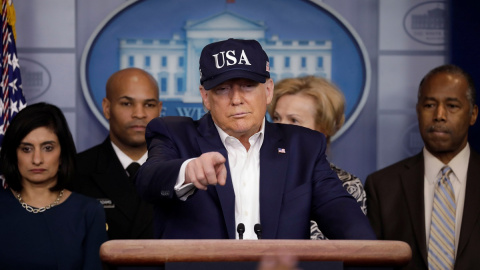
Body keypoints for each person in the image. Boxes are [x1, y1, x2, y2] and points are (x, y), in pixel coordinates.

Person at [136, 38, 375, 240]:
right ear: (205, 97)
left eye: (248, 86)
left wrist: (373, 254)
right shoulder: (173, 133)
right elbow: (148, 181)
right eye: (222, 89)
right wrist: (189, 170)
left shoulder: (304, 146)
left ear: (268, 90)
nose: (237, 99)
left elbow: (344, 217)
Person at [365, 64, 480, 269]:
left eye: (452, 106)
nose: (440, 115)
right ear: (418, 111)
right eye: (429, 105)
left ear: (473, 114)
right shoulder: (382, 187)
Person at [0, 102, 107, 269]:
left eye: (48, 148)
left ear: (62, 153)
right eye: (26, 149)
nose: (37, 159)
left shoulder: (88, 211)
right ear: (14, 154)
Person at [268, 76, 366, 240]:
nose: (279, 127)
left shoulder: (347, 186)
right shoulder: (255, 173)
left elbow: (353, 252)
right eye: (276, 118)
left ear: (322, 129)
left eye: (294, 120)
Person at [70, 67, 162, 241]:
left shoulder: (184, 171)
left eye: (149, 105)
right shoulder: (74, 171)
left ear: (159, 109)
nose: (139, 114)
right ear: (106, 108)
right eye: (127, 103)